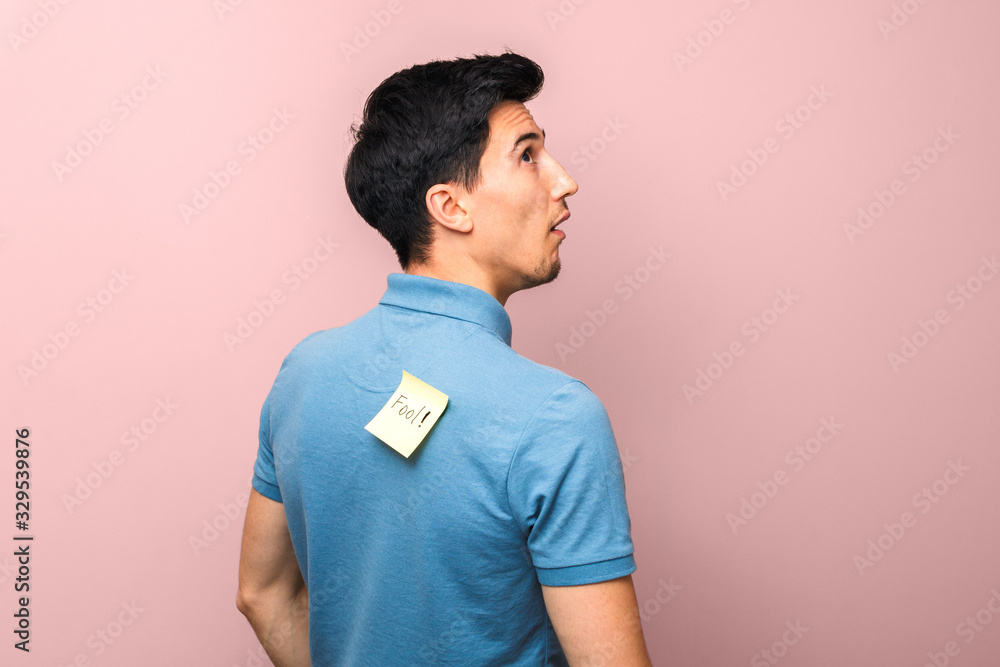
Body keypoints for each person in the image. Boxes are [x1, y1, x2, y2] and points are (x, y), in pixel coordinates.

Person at [236, 50, 652, 666]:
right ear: (450, 206)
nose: (564, 181)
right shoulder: (557, 416)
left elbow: (262, 594)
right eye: (528, 155)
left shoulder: (303, 372)